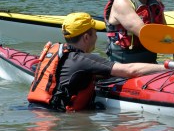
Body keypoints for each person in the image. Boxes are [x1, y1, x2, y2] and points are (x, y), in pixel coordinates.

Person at [28, 12, 165, 112]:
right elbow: (130, 70)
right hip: (53, 118)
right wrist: (167, 66)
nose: (97, 36)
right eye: (95, 32)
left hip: (35, 111)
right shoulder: (84, 60)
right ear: (86, 37)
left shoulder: (57, 52)